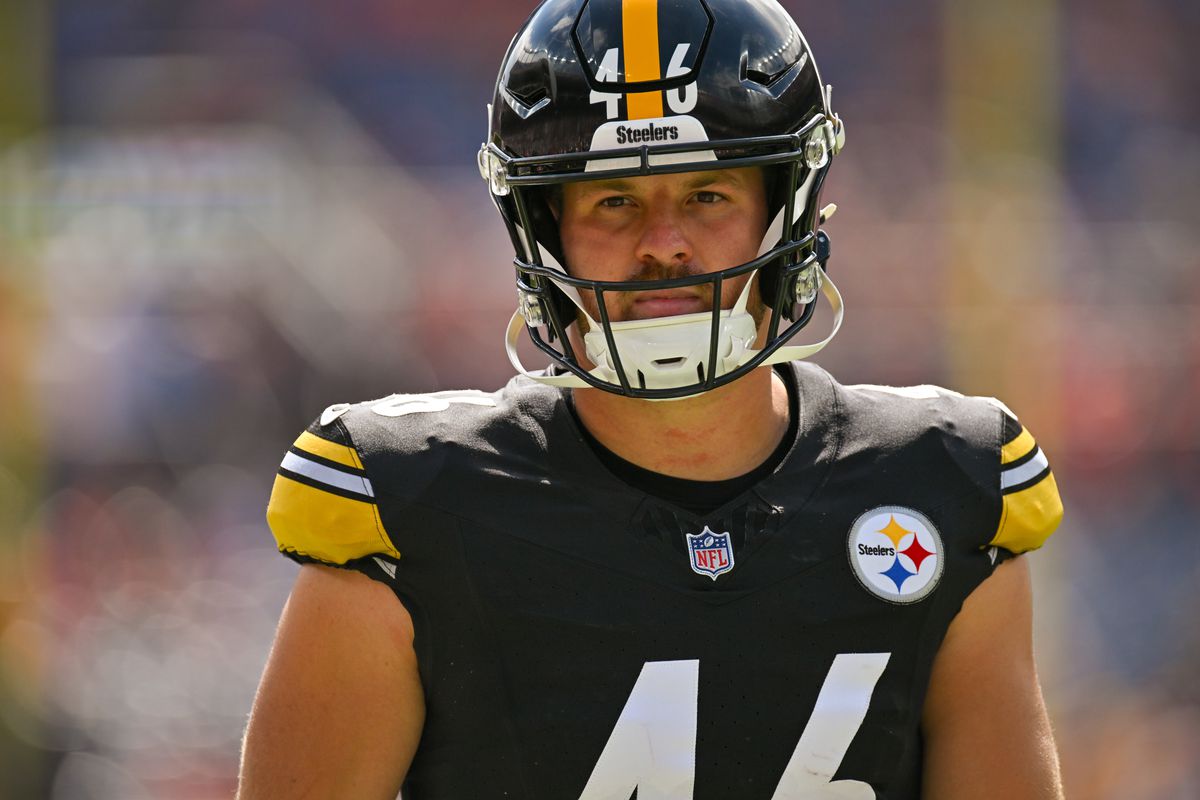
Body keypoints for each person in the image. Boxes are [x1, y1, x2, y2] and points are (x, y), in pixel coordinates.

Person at [238, 0, 1066, 797]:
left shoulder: (942, 487)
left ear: (786, 214)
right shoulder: (408, 510)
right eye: (613, 201)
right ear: (542, 226)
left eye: (708, 196)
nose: (663, 243)